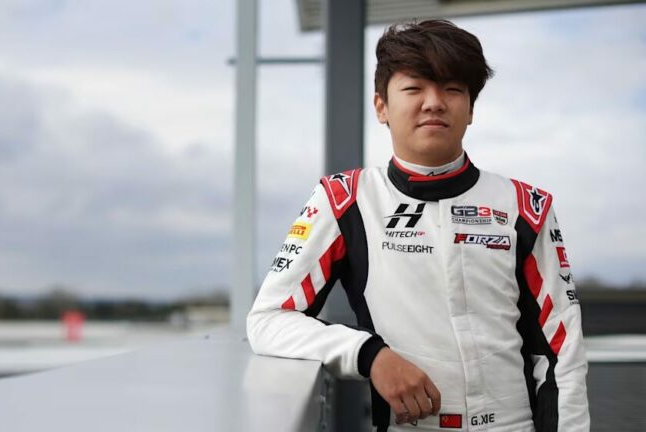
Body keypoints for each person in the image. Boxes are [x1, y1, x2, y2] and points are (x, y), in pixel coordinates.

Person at [246, 20, 589, 431]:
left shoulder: (526, 207)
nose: (434, 103)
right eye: (414, 89)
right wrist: (370, 355)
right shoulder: (344, 200)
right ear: (381, 107)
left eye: (452, 89)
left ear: (471, 108)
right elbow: (268, 321)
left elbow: (563, 353)